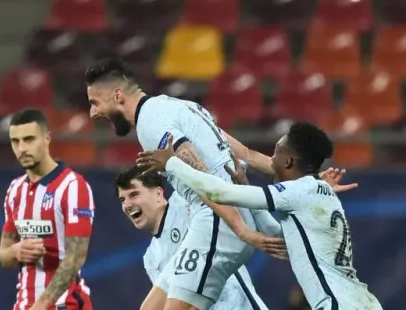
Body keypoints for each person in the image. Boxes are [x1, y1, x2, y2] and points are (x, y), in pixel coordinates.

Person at [86, 58, 355, 310]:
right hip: (224, 218)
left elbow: (201, 175)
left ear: (118, 95)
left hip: (218, 220)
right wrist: (311, 181)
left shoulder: (150, 124)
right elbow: (246, 155)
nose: (92, 113)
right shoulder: (182, 106)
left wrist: (240, 229)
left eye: (95, 102)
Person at [136, 122, 383, 310]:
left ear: (288, 160)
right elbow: (281, 239)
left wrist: (172, 164)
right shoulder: (320, 194)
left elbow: (220, 193)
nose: (270, 158)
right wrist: (245, 184)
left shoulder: (300, 191)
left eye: (276, 151)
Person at [115, 165, 282, 309]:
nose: (127, 205)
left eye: (134, 194)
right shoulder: (151, 258)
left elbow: (215, 189)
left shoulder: (185, 200)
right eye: (122, 199)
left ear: (158, 194)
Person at [0, 108, 95, 310]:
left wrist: (41, 305)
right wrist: (16, 250)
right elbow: (3, 255)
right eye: (15, 141)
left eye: (29, 139)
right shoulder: (15, 190)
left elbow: (76, 256)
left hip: (65, 304)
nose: (22, 148)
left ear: (47, 138)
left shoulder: (73, 186)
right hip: (24, 303)